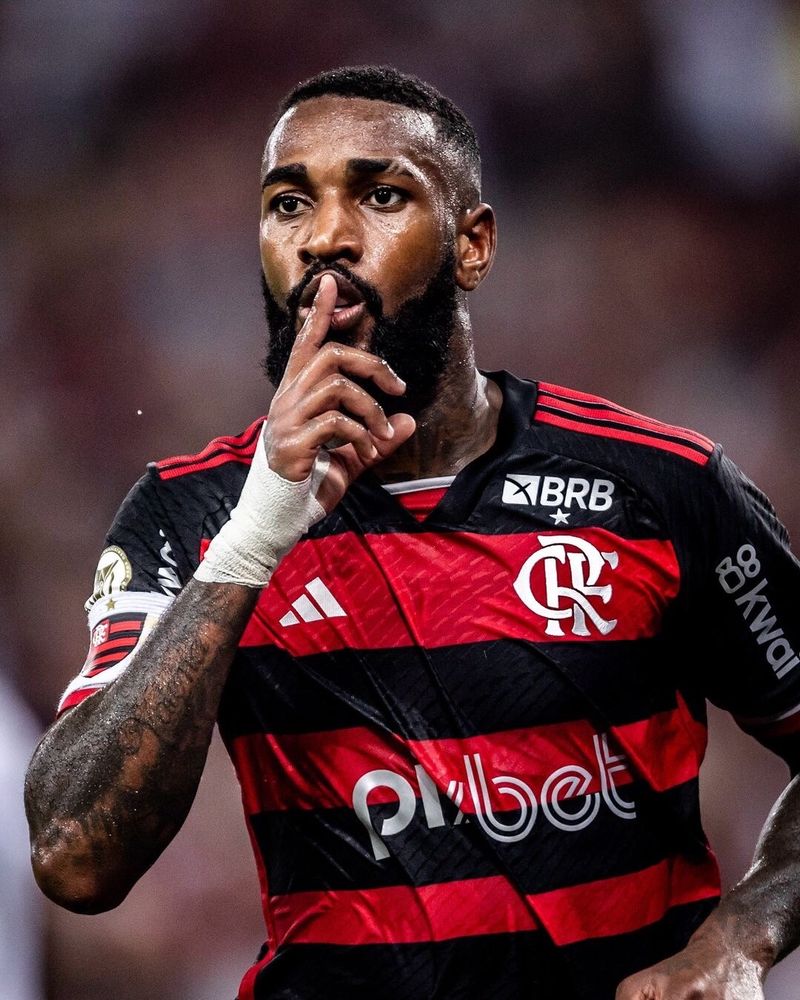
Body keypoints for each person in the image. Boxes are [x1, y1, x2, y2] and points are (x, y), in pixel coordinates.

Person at [24, 65, 800, 1000]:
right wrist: (255, 535)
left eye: (381, 195)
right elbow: (74, 859)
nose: (326, 237)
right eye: (288, 204)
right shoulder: (190, 515)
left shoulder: (662, 485)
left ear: (473, 245)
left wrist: (741, 940)